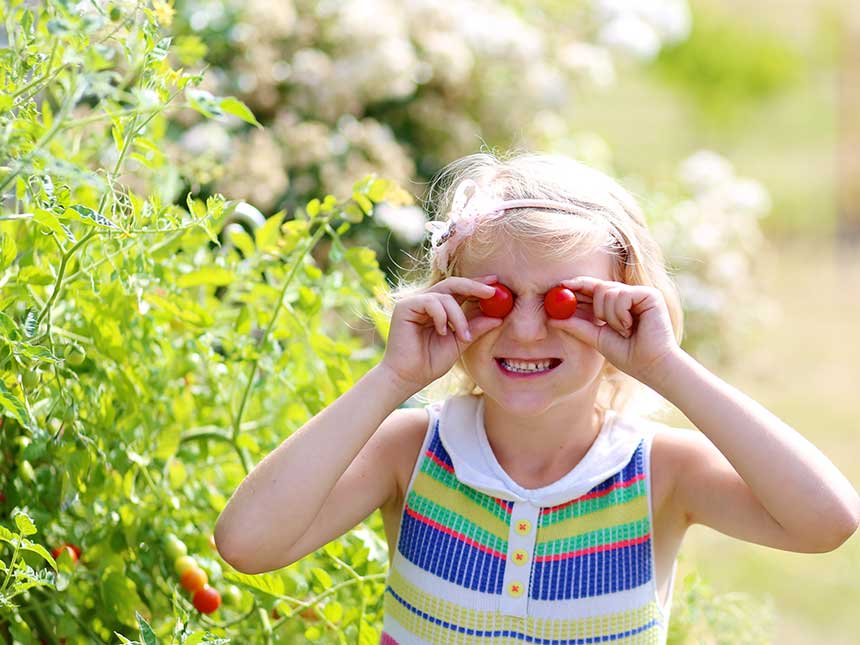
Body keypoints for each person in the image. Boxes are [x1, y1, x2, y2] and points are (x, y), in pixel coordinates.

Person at [214, 152, 860, 644]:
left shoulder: (660, 472)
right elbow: (248, 544)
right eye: (494, 297)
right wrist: (393, 379)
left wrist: (664, 365)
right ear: (450, 301)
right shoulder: (410, 453)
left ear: (627, 307)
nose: (525, 329)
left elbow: (826, 521)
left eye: (565, 301)